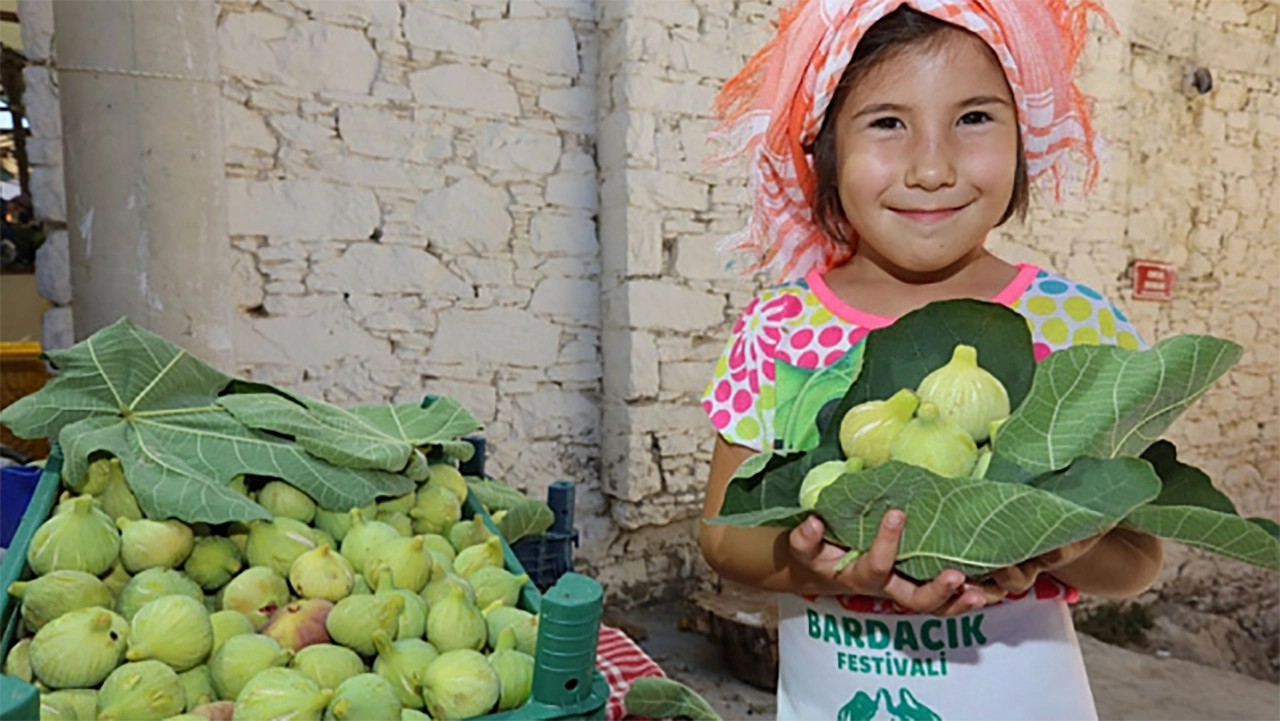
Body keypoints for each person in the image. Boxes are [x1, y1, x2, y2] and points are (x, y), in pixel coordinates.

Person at [698, 1, 1163, 719]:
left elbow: (1138, 558)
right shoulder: (782, 329)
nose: (932, 167)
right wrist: (818, 567)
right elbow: (725, 537)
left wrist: (1053, 542)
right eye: (887, 122)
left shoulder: (1080, 327)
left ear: (1023, 137)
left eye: (974, 118)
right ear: (825, 151)